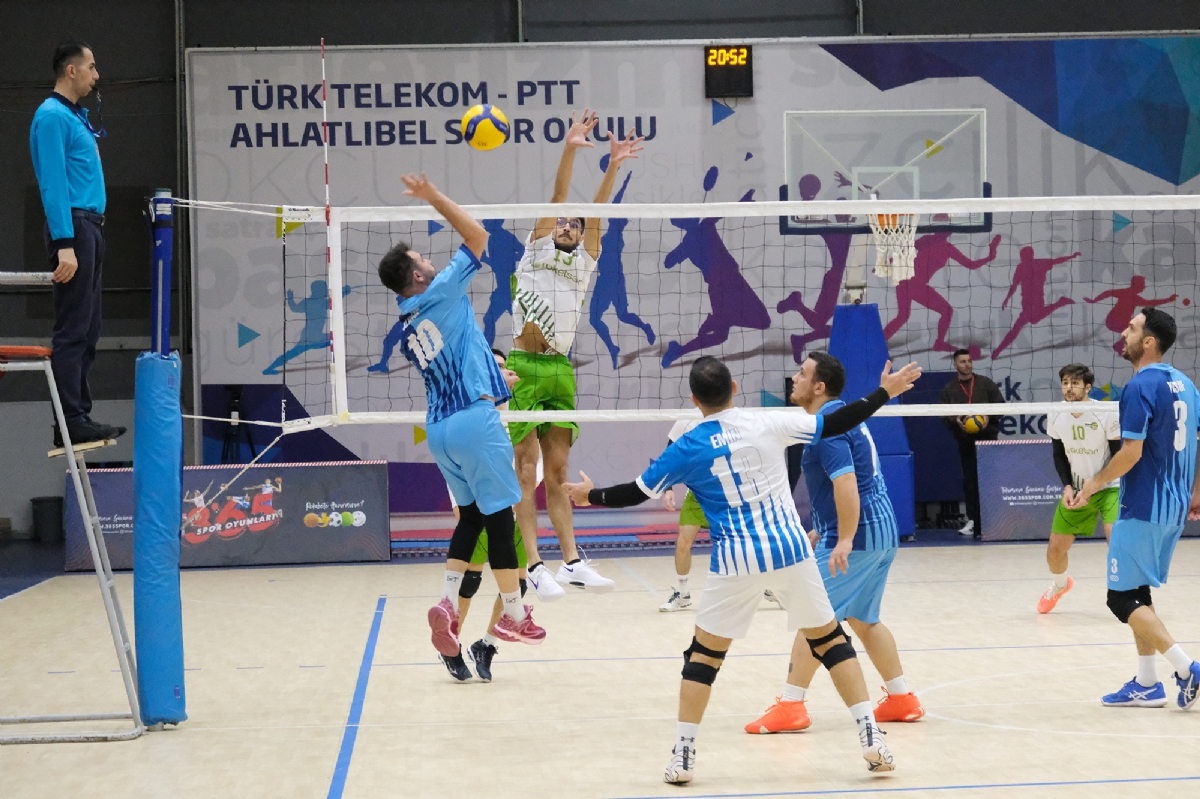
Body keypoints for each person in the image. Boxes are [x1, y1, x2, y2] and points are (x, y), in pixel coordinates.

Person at [565, 355, 924, 783]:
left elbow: (634, 492)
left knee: (703, 658)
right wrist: (885, 392)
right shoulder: (767, 422)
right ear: (734, 388)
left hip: (737, 560)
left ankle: (684, 755)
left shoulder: (686, 446)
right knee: (832, 642)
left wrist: (590, 496)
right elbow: (840, 420)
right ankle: (870, 736)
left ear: (694, 399)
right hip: (790, 551)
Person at [378, 173, 545, 663]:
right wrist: (432, 196)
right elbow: (477, 235)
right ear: (418, 276)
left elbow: (459, 358)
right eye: (423, 260)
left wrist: (494, 379)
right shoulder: (442, 291)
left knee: (471, 516)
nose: (431, 262)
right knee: (501, 521)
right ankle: (513, 612)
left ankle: (448, 602)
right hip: (474, 421)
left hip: (439, 429)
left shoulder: (407, 319)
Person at [745, 352, 923, 735]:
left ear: (819, 387)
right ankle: (901, 698)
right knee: (864, 619)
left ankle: (792, 705)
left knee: (813, 618)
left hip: (859, 535)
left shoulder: (828, 429)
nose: (795, 378)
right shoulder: (841, 416)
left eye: (802, 373)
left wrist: (843, 538)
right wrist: (822, 528)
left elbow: (845, 482)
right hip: (881, 530)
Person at [508, 110, 644, 600]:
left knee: (559, 472)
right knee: (526, 472)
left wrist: (613, 165)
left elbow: (596, 213)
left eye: (574, 223)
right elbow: (558, 197)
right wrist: (570, 149)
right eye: (563, 221)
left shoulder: (585, 262)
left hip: (560, 370)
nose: (567, 224)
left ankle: (570, 563)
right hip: (522, 368)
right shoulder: (535, 250)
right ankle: (533, 566)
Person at [1067, 308, 1200, 709]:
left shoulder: (1140, 386)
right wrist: (1197, 491)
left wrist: (1093, 483)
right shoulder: (1187, 384)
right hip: (1174, 506)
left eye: (1132, 328)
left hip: (1142, 505)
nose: (1123, 333)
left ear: (1148, 342)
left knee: (1120, 599)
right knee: (1138, 591)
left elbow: (1131, 453)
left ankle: (1186, 668)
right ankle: (1147, 682)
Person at [30, 41, 125, 446]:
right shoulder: (52, 116)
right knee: (72, 329)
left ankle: (79, 415)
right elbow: (53, 184)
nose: (96, 75)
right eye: (92, 66)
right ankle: (69, 420)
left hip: (91, 227)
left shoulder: (74, 117)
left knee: (89, 328)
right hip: (75, 228)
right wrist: (65, 242)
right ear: (72, 71)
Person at [441, 349, 536, 683]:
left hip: (512, 509)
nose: (501, 371)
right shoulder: (469, 411)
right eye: (494, 367)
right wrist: (460, 507)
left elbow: (527, 462)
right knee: (470, 581)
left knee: (518, 586)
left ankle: (487, 645)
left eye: (503, 367)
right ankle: (450, 646)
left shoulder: (515, 415)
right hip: (479, 508)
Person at [1038, 363, 1120, 613]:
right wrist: (1068, 487)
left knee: (1117, 541)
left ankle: (1130, 593)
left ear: (1088, 387)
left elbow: (1118, 456)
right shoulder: (1056, 413)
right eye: (1065, 383)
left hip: (1110, 486)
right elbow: (1058, 454)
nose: (1069, 388)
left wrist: (1095, 486)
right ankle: (1060, 584)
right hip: (1077, 489)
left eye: (1074, 383)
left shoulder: (1106, 412)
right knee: (1054, 552)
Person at [938, 348, 1003, 538]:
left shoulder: (985, 383)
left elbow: (1002, 407)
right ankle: (974, 520)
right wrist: (956, 419)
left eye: (969, 361)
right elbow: (942, 415)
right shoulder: (949, 389)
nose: (967, 364)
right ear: (955, 364)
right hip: (965, 442)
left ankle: (993, 520)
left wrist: (987, 415)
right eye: (962, 361)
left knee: (990, 481)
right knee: (970, 482)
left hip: (988, 441)